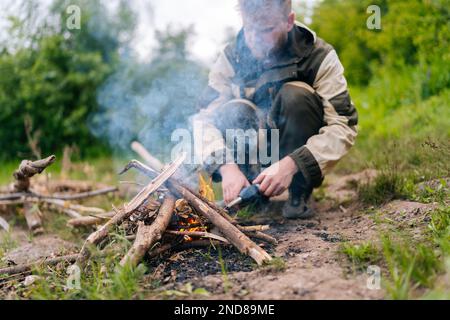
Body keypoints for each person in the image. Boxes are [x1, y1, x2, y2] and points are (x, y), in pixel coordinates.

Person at [192, 0, 358, 219]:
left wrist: (291, 164)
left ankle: (299, 193)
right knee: (234, 110)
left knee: (296, 96)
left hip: (296, 153)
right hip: (255, 151)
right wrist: (226, 166)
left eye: (266, 30)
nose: (254, 40)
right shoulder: (231, 58)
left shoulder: (318, 55)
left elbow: (343, 125)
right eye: (249, 28)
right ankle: (248, 191)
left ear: (289, 22)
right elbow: (203, 119)